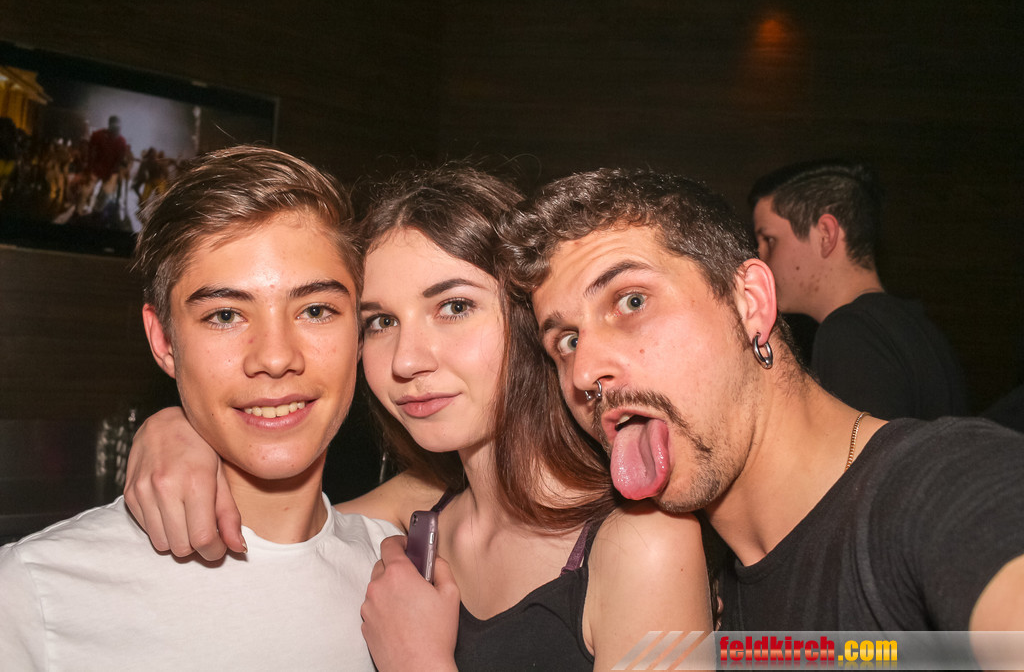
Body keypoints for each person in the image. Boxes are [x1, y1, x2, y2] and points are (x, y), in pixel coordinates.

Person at [122, 165, 712, 670]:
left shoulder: (645, 544)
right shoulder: (415, 520)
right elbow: (290, 524)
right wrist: (174, 427)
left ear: (530, 316)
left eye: (454, 307)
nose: (406, 360)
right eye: (381, 322)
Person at [500, 168, 1024, 643]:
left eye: (632, 301)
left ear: (749, 301)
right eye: (567, 341)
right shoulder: (699, 593)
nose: (584, 372)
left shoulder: (945, 485)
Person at [0, 146, 399, 669]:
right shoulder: (36, 594)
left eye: (316, 310)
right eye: (225, 315)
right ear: (164, 341)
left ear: (360, 332)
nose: (275, 357)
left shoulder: (406, 574)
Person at [749, 159, 968, 420]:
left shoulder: (849, 333)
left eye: (769, 240)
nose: (760, 258)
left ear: (826, 235)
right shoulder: (919, 327)